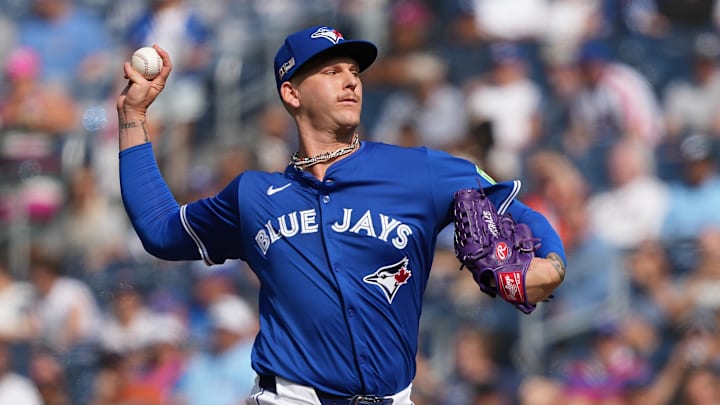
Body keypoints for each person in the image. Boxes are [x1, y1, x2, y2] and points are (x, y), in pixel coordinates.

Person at [116, 25, 566, 404]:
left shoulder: (418, 170)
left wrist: (552, 265)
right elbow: (160, 230)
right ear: (291, 93)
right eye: (331, 71)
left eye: (354, 71)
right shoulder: (253, 195)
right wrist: (133, 116)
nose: (351, 81)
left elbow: (516, 207)